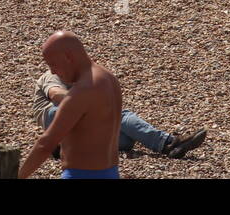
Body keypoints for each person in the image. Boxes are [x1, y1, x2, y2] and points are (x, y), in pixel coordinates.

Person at [33, 69, 206, 161]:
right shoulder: (53, 74)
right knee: (118, 116)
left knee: (126, 140)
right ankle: (168, 143)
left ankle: (67, 146)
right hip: (55, 119)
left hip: (80, 125)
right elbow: (57, 95)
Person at [19, 31, 123, 179]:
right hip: (111, 172)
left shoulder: (83, 90)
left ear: (68, 57)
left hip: (81, 174)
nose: (53, 72)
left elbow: (46, 144)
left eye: (53, 65)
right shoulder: (109, 78)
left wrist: (18, 175)